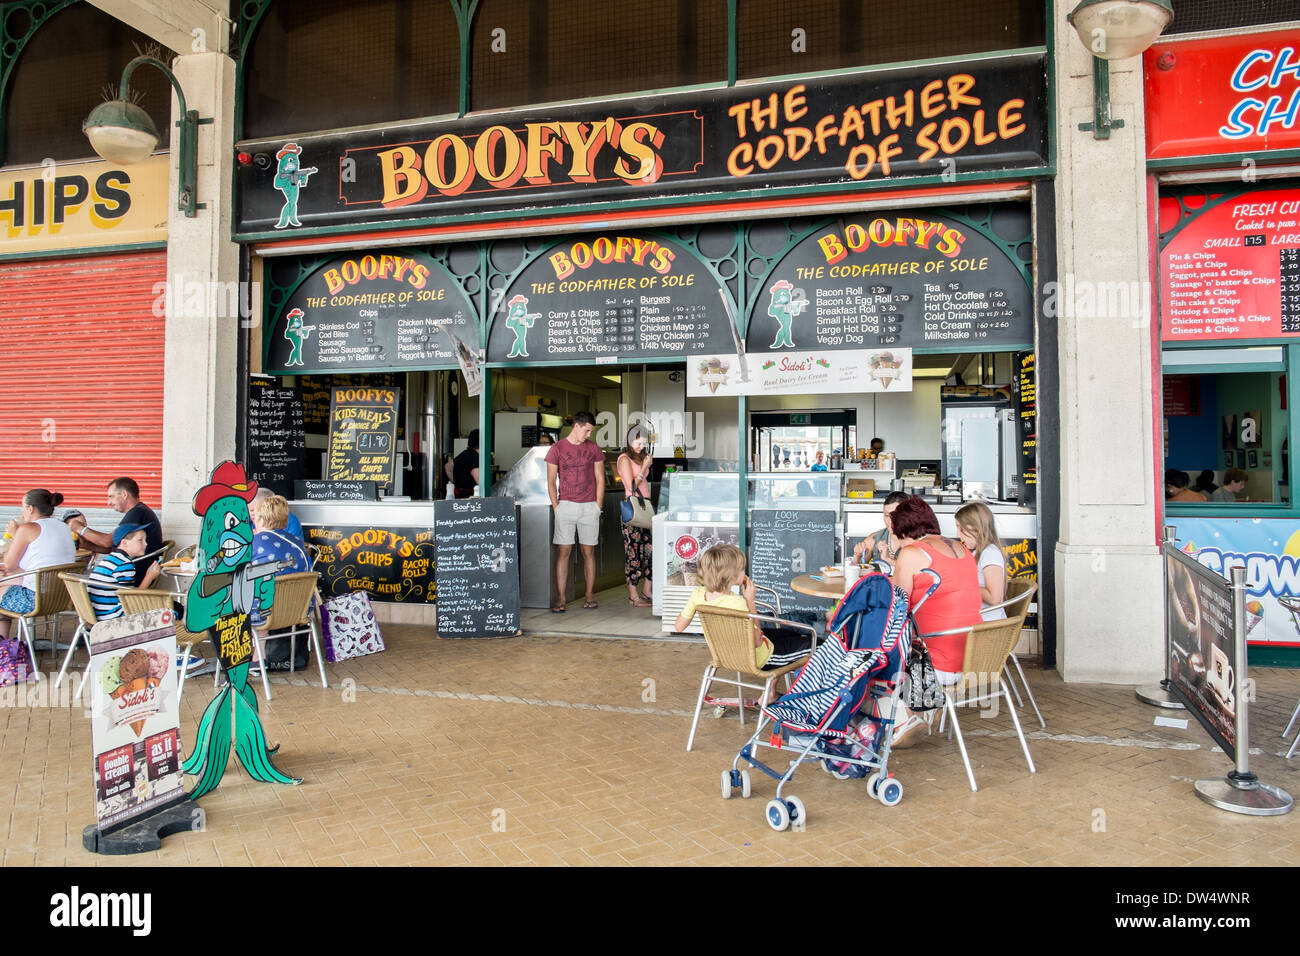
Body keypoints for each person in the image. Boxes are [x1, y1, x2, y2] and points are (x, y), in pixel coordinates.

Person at [888, 495, 981, 747]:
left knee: (870, 650)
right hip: (975, 656)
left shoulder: (911, 553)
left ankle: (904, 717)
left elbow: (896, 609)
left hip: (939, 662)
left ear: (904, 531)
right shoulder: (963, 549)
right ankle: (925, 710)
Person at [674, 544, 810, 700]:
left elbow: (679, 626)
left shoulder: (698, 595)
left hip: (726, 655)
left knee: (789, 633)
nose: (744, 572)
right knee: (815, 643)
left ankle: (770, 693)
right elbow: (758, 641)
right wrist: (750, 602)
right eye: (741, 569)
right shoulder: (737, 603)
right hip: (760, 658)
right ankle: (811, 702)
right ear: (730, 576)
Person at [546, 411, 605, 612]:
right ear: (577, 426)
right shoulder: (557, 448)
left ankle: (589, 596)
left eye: (591, 431)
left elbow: (600, 478)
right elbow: (551, 481)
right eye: (587, 430)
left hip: (590, 507)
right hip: (566, 506)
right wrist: (557, 507)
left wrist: (598, 505)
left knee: (588, 552)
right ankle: (561, 599)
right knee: (564, 551)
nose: (589, 434)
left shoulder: (594, 449)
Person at [0, 489, 78, 638]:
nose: (21, 510)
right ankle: (4, 647)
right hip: (62, 596)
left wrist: (14, 533)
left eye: (22, 506)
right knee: (5, 582)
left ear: (30, 509)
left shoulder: (26, 529)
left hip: (35, 599)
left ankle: (4, 648)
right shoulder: (63, 527)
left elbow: (9, 564)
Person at [68, 478, 163, 585]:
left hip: (132, 576)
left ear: (124, 494)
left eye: (111, 496)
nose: (108, 503)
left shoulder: (137, 513)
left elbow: (108, 542)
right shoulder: (139, 511)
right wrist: (86, 544)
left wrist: (78, 528)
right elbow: (114, 547)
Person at [248, 493, 310, 630]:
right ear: (286, 521)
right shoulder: (298, 542)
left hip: (262, 613)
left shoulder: (253, 542)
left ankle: (234, 649)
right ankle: (259, 651)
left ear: (261, 521)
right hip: (298, 609)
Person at [617, 425, 654, 607]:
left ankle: (647, 590)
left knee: (651, 551)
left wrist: (645, 464)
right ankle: (633, 595)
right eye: (638, 443)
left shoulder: (640, 457)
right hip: (633, 510)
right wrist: (645, 466)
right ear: (630, 441)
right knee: (633, 553)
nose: (640, 446)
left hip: (645, 509)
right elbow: (630, 487)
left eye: (643, 443)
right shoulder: (624, 459)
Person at [87, 524, 155, 620]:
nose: (146, 544)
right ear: (124, 543)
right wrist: (149, 576)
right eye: (140, 540)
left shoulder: (111, 559)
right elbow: (131, 599)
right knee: (174, 608)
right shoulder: (124, 564)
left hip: (98, 614)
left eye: (145, 540)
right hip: (114, 618)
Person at [955, 500, 1007, 622]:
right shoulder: (977, 552)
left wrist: (963, 584)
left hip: (986, 626)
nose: (958, 535)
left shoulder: (990, 553)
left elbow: (994, 598)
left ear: (976, 528)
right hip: (976, 621)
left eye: (961, 529)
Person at [851, 490, 910, 568]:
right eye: (886, 515)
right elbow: (857, 568)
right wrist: (857, 556)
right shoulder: (875, 538)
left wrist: (888, 560)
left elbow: (917, 570)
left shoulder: (919, 540)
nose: (890, 521)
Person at [453, 429, 481, 499]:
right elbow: (478, 479)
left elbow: (447, 466)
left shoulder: (464, 454)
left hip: (459, 495)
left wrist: (457, 483)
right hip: (469, 498)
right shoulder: (475, 457)